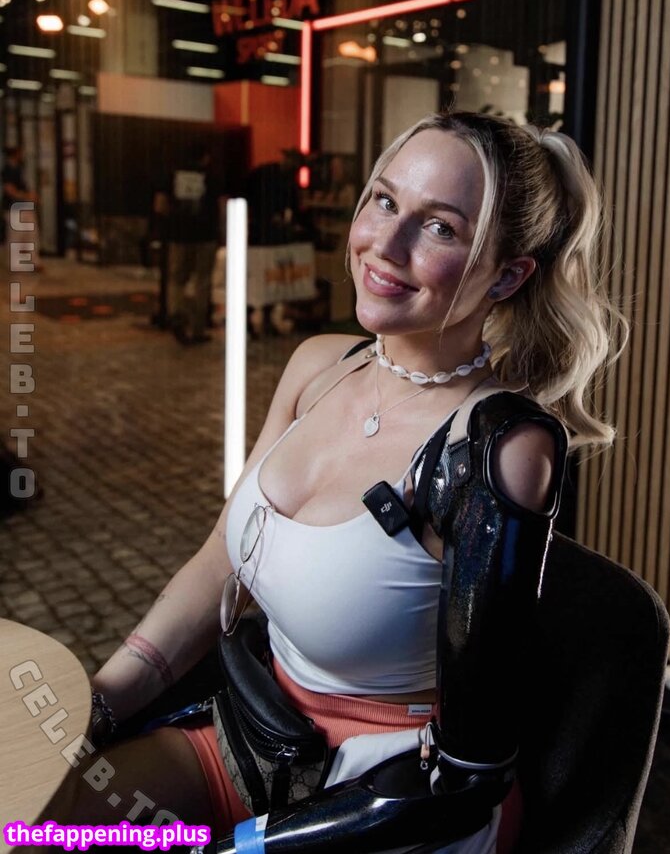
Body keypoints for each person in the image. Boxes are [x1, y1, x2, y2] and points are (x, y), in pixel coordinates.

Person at [43, 111, 625, 852]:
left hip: (392, 798)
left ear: (507, 275)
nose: (385, 243)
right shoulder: (320, 365)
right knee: (35, 824)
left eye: (439, 228)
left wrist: (240, 847)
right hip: (261, 736)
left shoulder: (499, 450)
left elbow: (464, 779)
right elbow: (220, 561)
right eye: (384, 200)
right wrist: (97, 706)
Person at [165, 147, 223, 345]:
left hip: (179, 235)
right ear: (205, 157)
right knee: (202, 280)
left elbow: (161, 204)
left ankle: (176, 314)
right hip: (205, 235)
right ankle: (198, 327)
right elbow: (220, 205)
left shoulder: (173, 174)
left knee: (176, 279)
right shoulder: (210, 176)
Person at [2, 144, 42, 271]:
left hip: (24, 206)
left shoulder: (19, 169)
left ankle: (33, 260)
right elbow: (9, 190)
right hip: (14, 207)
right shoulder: (8, 169)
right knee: (16, 236)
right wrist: (27, 196)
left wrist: (30, 196)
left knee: (31, 234)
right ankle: (16, 262)